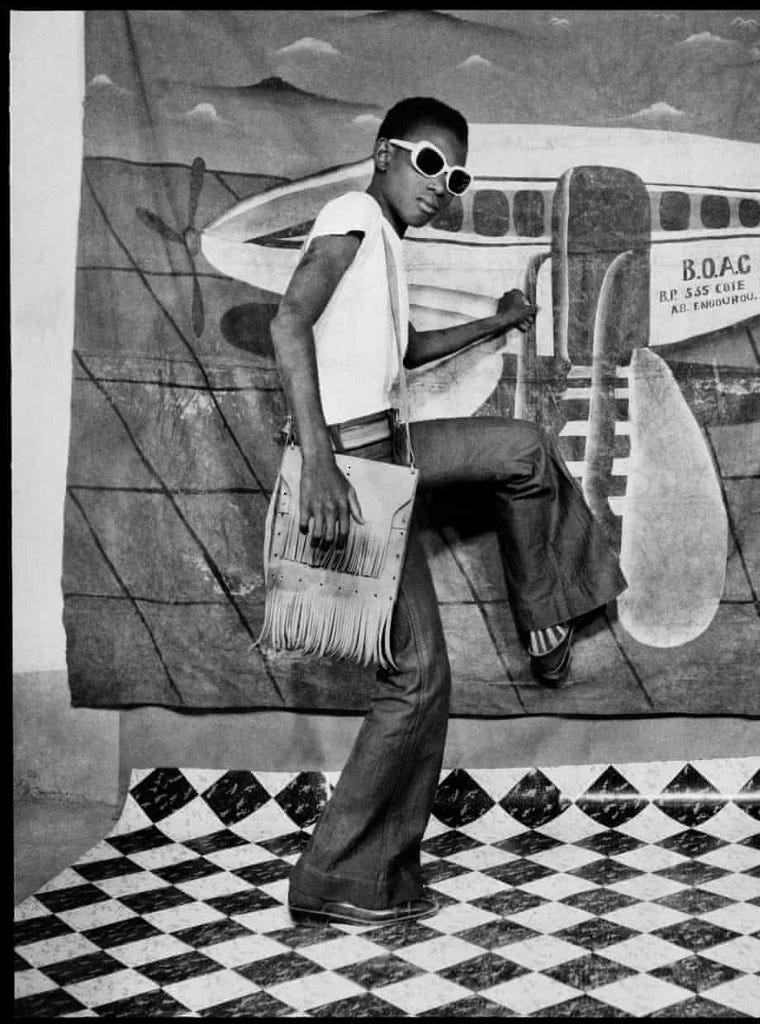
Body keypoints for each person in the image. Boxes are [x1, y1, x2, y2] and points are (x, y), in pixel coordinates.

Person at [273, 97, 626, 927]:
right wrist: (319, 464)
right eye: (430, 164)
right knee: (418, 676)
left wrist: (497, 322)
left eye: (456, 175)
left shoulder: (384, 244)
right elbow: (289, 324)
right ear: (384, 153)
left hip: (387, 446)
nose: (443, 186)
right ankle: (333, 876)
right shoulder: (353, 212)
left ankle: (544, 614)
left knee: (523, 450)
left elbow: (405, 355)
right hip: (352, 465)